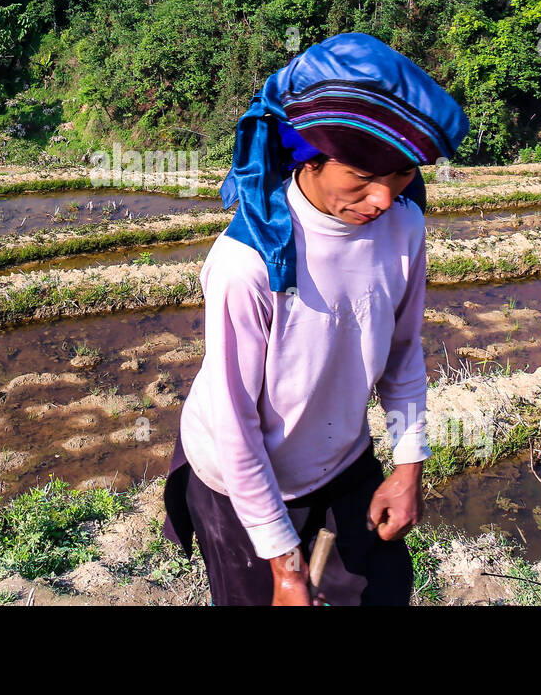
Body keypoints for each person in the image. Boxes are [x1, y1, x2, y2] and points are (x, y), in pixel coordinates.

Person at [161, 31, 470, 606]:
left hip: (342, 456)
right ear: (309, 153)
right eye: (361, 176)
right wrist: (284, 567)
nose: (381, 198)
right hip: (241, 480)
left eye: (402, 175)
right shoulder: (249, 262)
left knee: (382, 592)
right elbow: (235, 423)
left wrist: (407, 467)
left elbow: (402, 355)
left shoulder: (404, 230)